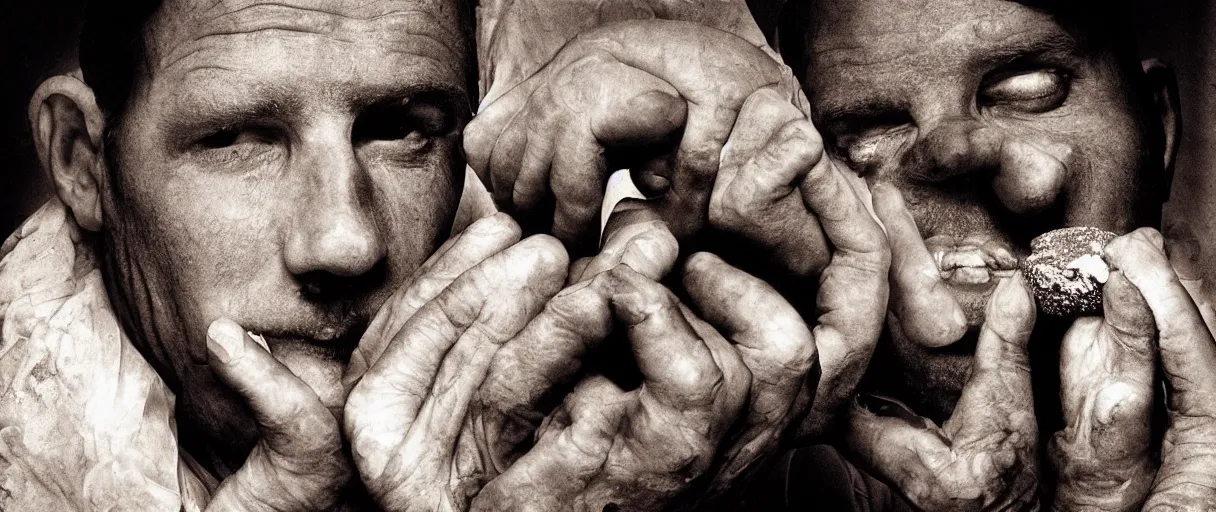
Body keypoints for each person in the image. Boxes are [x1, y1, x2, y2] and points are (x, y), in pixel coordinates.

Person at [1, 0, 889, 510]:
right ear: (83, 160)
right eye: (238, 139)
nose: (344, 243)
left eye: (400, 131)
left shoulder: (614, 398)